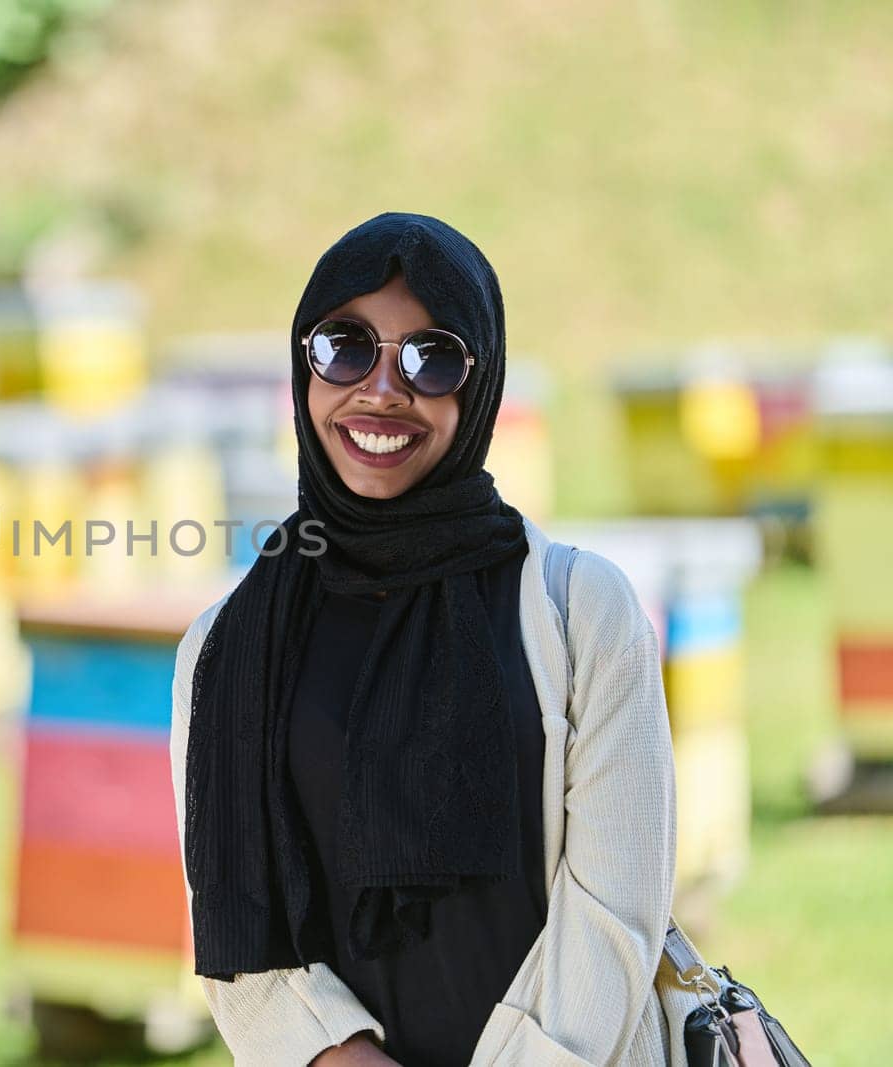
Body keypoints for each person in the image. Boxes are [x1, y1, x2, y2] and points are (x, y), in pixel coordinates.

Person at [169, 213, 678, 1066]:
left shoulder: (578, 609)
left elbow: (617, 908)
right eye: (346, 347)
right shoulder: (226, 647)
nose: (381, 389)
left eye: (430, 357)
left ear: (477, 386)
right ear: (305, 365)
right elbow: (234, 920)